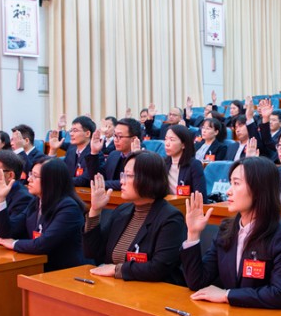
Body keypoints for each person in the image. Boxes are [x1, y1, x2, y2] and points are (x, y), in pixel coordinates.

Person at [180, 157, 281, 309]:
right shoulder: (227, 229)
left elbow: (279, 294)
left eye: (236, 183)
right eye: (230, 183)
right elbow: (197, 281)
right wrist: (193, 234)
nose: (228, 191)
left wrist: (227, 295)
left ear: (258, 189)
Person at [82, 151, 186, 284]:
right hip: (116, 287)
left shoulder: (170, 218)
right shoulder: (122, 211)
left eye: (129, 176)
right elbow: (92, 252)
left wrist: (117, 270)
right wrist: (95, 210)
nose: (121, 181)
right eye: (123, 175)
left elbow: (159, 268)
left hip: (152, 291)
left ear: (148, 179)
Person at [0, 158, 86, 272]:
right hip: (40, 266)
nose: (29, 179)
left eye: (35, 176)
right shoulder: (35, 202)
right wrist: (0, 199)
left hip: (65, 271)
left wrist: (14, 243)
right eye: (30, 174)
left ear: (51, 180)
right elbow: (7, 232)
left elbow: (43, 244)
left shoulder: (68, 208)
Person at [87, 117, 143, 190]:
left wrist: (102, 184)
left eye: (119, 136)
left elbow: (130, 182)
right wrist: (94, 152)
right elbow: (97, 178)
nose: (115, 140)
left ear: (133, 139)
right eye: (115, 136)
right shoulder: (113, 155)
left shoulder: (143, 158)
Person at [48, 115, 96, 186]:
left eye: (75, 131)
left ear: (87, 134)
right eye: (71, 130)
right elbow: (57, 171)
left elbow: (85, 180)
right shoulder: (71, 149)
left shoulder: (94, 154)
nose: (71, 134)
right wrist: (53, 150)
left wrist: (60, 181)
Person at [164, 125, 206, 199]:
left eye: (172, 140)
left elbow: (200, 196)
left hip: (187, 205)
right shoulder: (163, 164)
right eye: (166, 139)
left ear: (183, 145)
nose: (167, 143)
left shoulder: (194, 165)